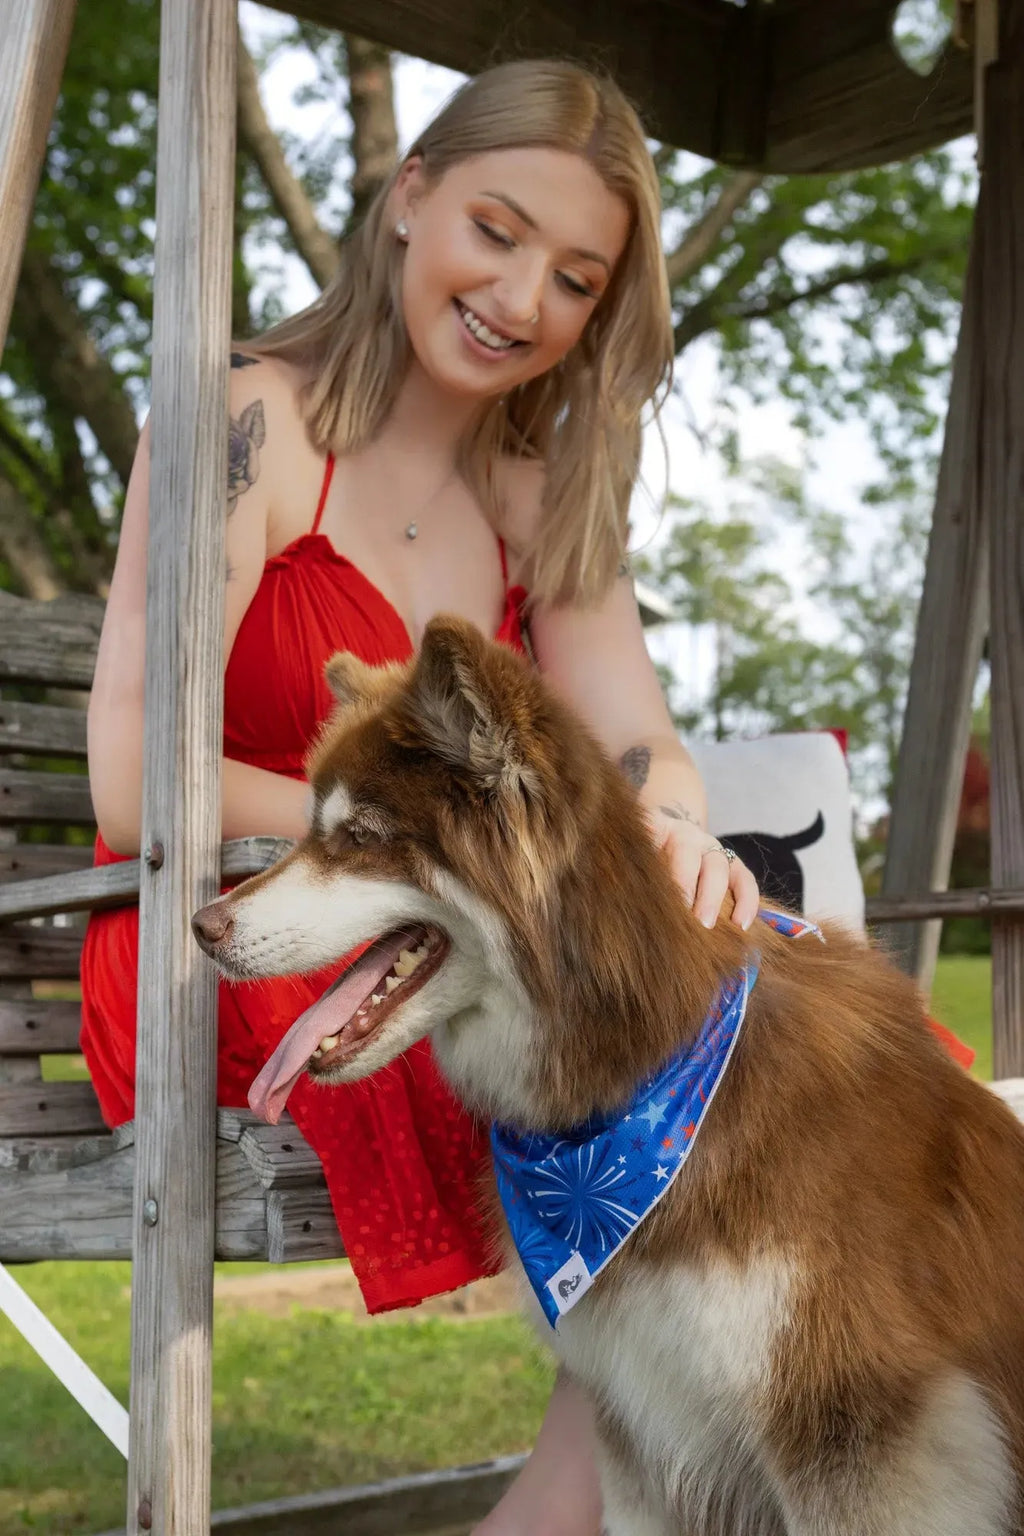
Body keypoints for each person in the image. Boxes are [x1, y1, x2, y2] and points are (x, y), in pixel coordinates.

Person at [81, 59, 760, 1535]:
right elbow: (134, 780)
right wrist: (422, 842)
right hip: (229, 933)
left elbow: (639, 739)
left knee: (751, 1045)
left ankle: (601, 1503)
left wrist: (677, 822)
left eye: (576, 277)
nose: (523, 298)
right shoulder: (245, 421)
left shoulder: (536, 490)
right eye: (497, 232)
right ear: (407, 202)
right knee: (648, 1072)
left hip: (438, 948)